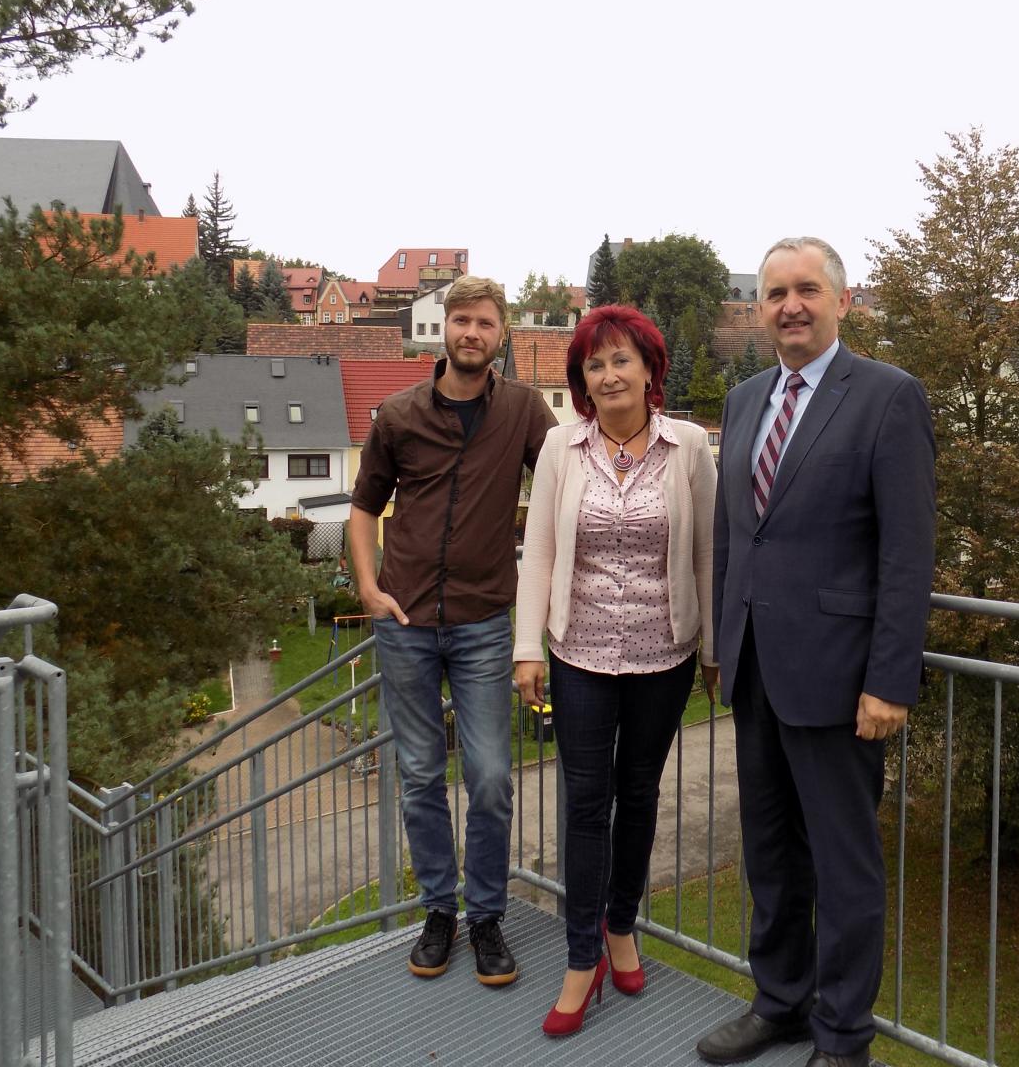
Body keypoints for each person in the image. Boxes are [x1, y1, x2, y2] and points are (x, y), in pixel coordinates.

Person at [695, 238, 936, 1067]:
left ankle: (842, 1038)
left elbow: (908, 555)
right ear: (759, 309)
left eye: (806, 290)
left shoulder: (888, 398)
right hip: (756, 666)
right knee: (768, 850)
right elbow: (735, 534)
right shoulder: (744, 400)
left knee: (843, 865)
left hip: (841, 678)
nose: (790, 305)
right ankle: (781, 1004)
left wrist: (889, 682)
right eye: (775, 293)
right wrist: (724, 641)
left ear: (842, 300)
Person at [514, 305, 719, 1038]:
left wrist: (714, 649)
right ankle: (580, 957)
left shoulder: (689, 447)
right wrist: (527, 646)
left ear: (649, 369)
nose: (608, 374)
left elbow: (704, 554)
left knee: (638, 797)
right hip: (580, 655)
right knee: (583, 803)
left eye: (621, 359)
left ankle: (622, 928)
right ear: (582, 381)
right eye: (594, 365)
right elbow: (537, 551)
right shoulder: (560, 449)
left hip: (665, 653)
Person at [348, 275, 556, 987]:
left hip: (483, 623)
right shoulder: (400, 414)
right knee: (417, 776)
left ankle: (487, 916)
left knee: (493, 775)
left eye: (485, 323)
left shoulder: (526, 411)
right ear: (445, 327)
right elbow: (362, 506)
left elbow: (561, 486)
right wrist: (369, 587)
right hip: (405, 622)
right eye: (461, 321)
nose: (472, 333)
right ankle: (440, 910)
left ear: (502, 334)